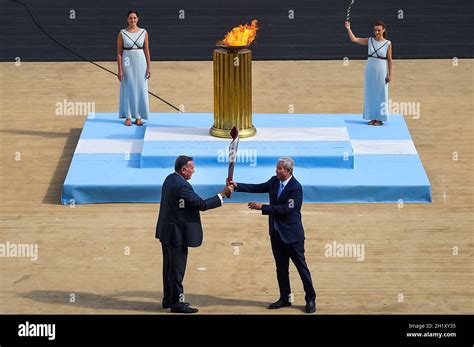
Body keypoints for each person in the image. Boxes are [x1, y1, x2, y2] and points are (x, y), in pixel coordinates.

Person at [229, 157, 316, 313]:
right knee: (281, 268)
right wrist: (237, 186)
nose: (276, 171)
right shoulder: (274, 181)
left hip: (292, 237)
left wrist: (262, 207)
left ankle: (310, 298)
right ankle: (285, 297)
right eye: (277, 167)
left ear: (288, 171)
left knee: (301, 268)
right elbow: (258, 187)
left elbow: (285, 210)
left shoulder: (296, 188)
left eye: (280, 168)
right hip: (276, 234)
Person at [156, 155, 233, 313]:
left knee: (169, 268)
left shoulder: (170, 179)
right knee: (177, 270)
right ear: (184, 170)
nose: (194, 170)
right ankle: (177, 303)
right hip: (176, 234)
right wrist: (223, 194)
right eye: (191, 168)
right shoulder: (182, 186)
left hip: (166, 232)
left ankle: (169, 299)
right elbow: (202, 204)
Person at [345, 20, 393, 126]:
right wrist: (348, 28)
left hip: (382, 70)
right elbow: (354, 39)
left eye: (379, 30)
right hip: (370, 70)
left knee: (381, 94)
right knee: (370, 93)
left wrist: (390, 74)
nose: (377, 32)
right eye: (375, 30)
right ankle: (372, 117)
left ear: (383, 30)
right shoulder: (370, 40)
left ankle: (380, 118)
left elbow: (389, 60)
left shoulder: (388, 43)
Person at [117, 10, 151, 126]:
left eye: (134, 18)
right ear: (127, 19)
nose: (133, 20)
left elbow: (146, 50)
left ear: (138, 19)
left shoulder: (144, 32)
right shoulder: (122, 33)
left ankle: (138, 116)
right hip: (127, 62)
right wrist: (120, 69)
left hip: (141, 62)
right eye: (130, 18)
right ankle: (128, 116)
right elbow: (119, 53)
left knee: (141, 88)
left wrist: (149, 67)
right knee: (128, 87)